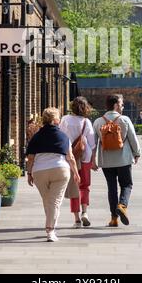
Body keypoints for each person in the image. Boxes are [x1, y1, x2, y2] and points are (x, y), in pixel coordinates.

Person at [26, 107, 80, 242]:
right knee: (54, 202)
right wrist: (76, 173)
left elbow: (31, 158)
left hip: (40, 172)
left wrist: (29, 173)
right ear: (56, 120)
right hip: (60, 170)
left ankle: (50, 227)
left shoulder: (36, 136)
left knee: (48, 201)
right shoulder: (63, 136)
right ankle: (50, 230)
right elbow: (71, 157)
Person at [92, 95, 141, 227]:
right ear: (115, 105)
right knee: (126, 184)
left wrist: (93, 160)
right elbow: (132, 138)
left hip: (106, 161)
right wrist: (137, 153)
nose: (122, 106)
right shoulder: (125, 119)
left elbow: (93, 144)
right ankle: (122, 205)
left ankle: (114, 218)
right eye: (121, 103)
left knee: (111, 188)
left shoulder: (98, 122)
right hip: (124, 159)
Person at [60, 96, 96, 228]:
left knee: (74, 186)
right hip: (85, 156)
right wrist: (93, 160)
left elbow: (61, 137)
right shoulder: (87, 122)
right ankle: (85, 212)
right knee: (85, 186)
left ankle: (76, 219)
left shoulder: (65, 120)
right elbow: (92, 144)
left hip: (69, 157)